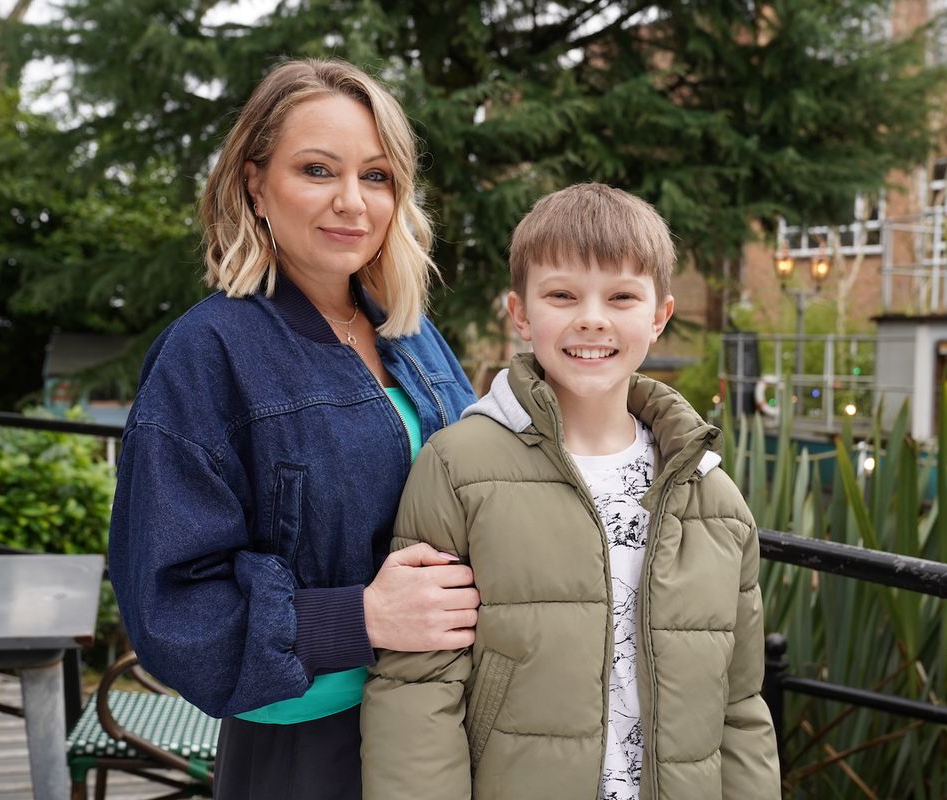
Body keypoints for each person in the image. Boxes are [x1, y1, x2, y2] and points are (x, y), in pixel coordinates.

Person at [107, 58, 480, 799]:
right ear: (255, 181)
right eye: (318, 170)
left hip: (439, 715)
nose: (353, 202)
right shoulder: (208, 353)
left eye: (376, 176)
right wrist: (362, 617)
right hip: (307, 743)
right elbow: (169, 601)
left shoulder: (412, 336)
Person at [361, 183, 781, 799]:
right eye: (562, 295)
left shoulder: (712, 495)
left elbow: (740, 706)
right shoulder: (458, 466)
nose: (592, 317)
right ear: (522, 314)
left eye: (621, 296)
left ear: (659, 315)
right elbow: (418, 691)